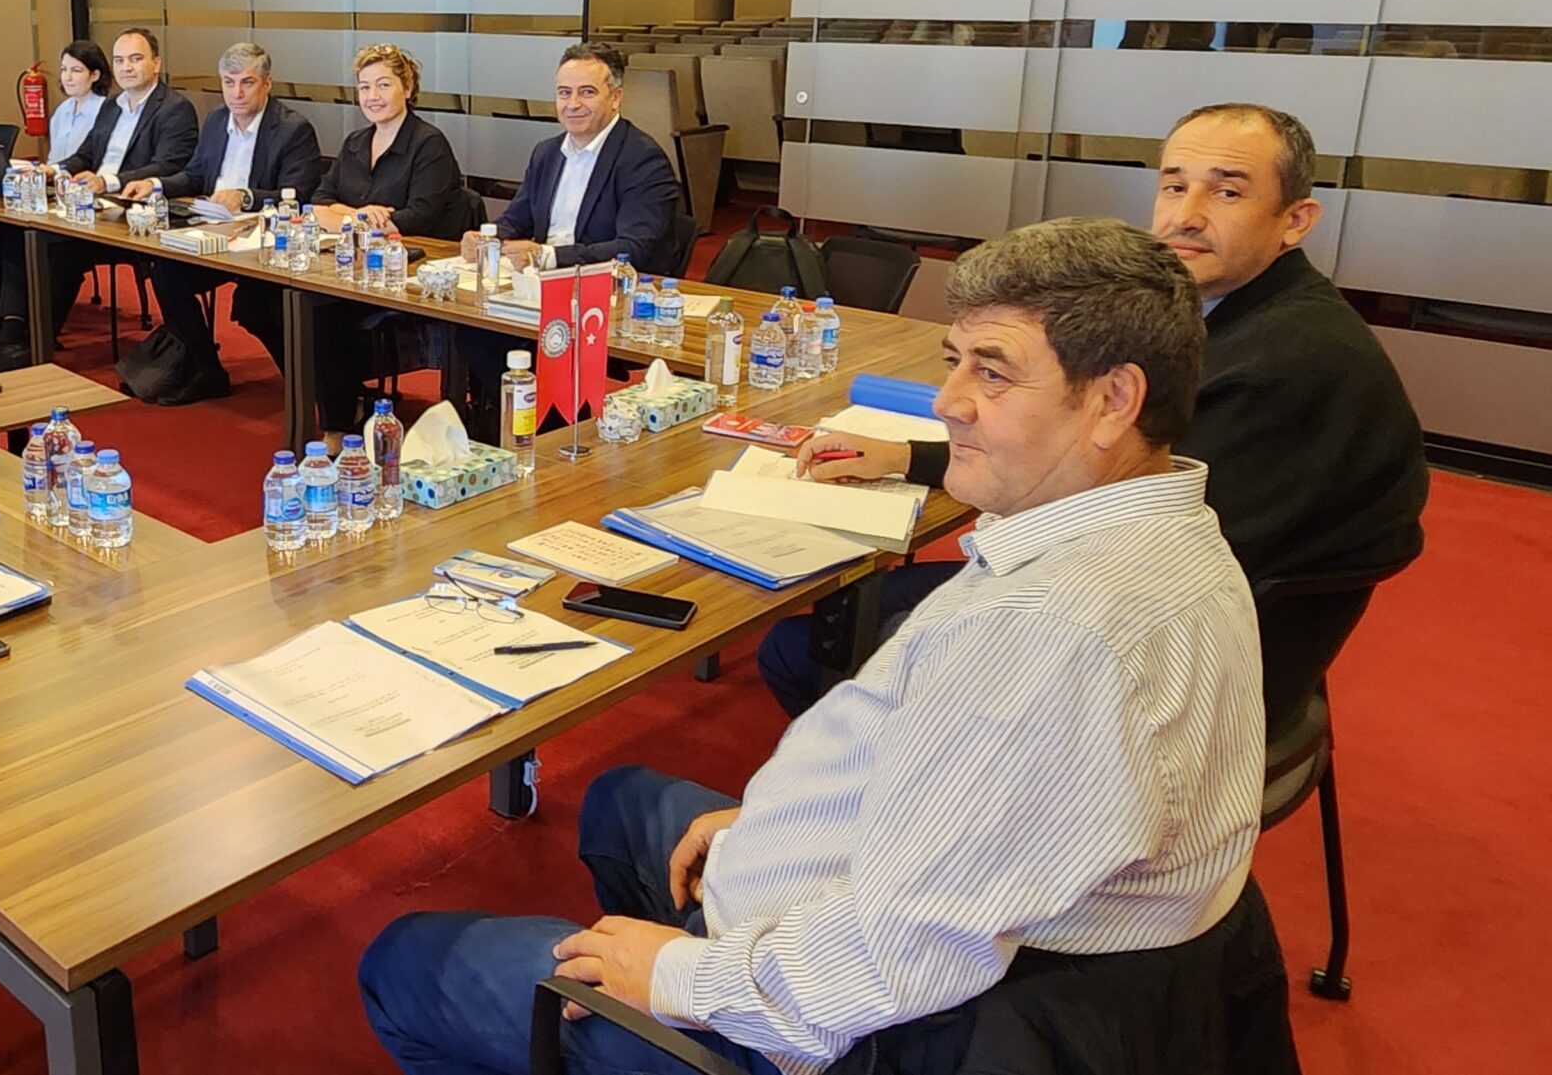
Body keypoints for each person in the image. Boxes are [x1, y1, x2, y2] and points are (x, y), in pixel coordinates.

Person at [360, 218, 1264, 1075]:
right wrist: (773, 825)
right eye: (954, 360)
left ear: (1112, 400)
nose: (948, 402)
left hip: (842, 1018)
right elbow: (981, 819)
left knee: (404, 961)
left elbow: (899, 953)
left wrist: (678, 977)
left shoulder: (1055, 641)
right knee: (620, 800)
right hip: (888, 887)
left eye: (993, 373)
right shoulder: (1168, 530)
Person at [758, 102, 1429, 718]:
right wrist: (908, 456)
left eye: (1227, 192)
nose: (1186, 215)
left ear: (1295, 220)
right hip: (1198, 621)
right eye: (1174, 186)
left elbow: (1118, 515)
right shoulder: (1239, 314)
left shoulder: (1286, 365)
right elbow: (1090, 458)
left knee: (806, 642)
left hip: (1180, 672)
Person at [452, 42, 680, 433]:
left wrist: (548, 256)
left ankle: (550, 434)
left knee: (528, 342)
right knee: (473, 330)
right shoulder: (547, 152)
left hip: (601, 295)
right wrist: (487, 237)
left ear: (616, 97)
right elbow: (518, 217)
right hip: (540, 290)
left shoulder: (641, 158)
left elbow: (634, 248)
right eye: (564, 92)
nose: (572, 104)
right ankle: (515, 427)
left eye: (586, 92)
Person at [0, 28, 199, 373]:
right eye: (120, 60)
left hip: (131, 212)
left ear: (156, 63)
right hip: (91, 203)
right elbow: (86, 155)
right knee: (16, 229)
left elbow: (169, 165)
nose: (127, 67)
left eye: (136, 59)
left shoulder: (175, 109)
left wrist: (108, 181)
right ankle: (11, 333)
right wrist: (54, 169)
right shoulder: (113, 106)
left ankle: (34, 342)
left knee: (59, 246)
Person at [128, 42, 323, 403]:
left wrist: (245, 197)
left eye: (247, 82)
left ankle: (313, 385)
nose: (237, 93)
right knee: (167, 273)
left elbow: (298, 194)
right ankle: (206, 369)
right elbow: (195, 174)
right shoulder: (218, 120)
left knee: (256, 301)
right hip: (214, 232)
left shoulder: (292, 129)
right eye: (229, 83)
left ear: (267, 83)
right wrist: (154, 184)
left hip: (262, 241)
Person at [308, 43, 468, 431]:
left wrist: (346, 217)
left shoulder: (428, 143)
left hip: (409, 277)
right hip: (355, 269)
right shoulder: (355, 142)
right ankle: (342, 397)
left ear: (407, 87)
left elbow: (417, 217)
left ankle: (338, 424)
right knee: (274, 303)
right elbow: (318, 204)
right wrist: (361, 215)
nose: (372, 96)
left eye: (383, 85)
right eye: (364, 87)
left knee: (321, 315)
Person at [0, 39, 113, 343]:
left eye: (76, 70)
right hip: (52, 188)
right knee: (3, 225)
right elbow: (56, 160)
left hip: (84, 196)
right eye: (64, 70)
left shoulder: (106, 112)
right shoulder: (63, 110)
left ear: (95, 74)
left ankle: (11, 319)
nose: (67, 77)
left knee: (20, 232)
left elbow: (90, 162)